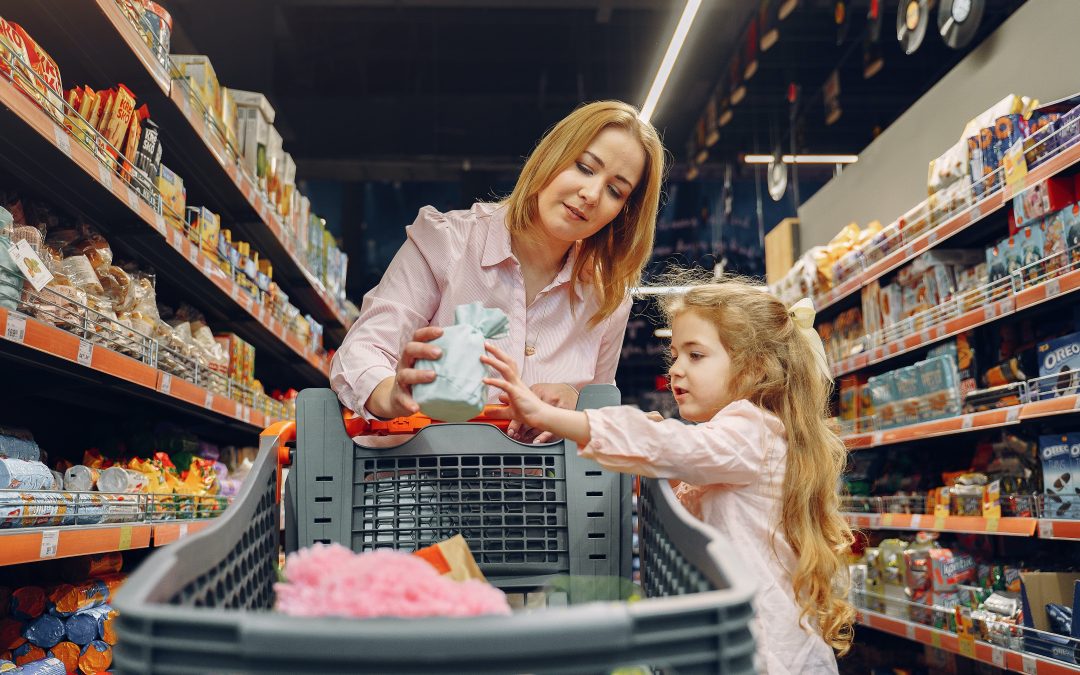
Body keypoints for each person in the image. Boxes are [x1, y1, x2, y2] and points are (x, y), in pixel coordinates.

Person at [480, 274, 855, 673]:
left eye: (696, 355)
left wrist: (550, 415)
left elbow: (664, 446)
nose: (676, 369)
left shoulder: (752, 429)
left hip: (767, 654)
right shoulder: (744, 435)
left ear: (754, 368)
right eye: (675, 354)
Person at [330, 100, 666, 441]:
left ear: (624, 212)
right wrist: (392, 393)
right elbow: (361, 352)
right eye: (584, 167)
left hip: (544, 491)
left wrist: (580, 407)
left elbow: (599, 409)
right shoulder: (447, 243)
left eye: (615, 190)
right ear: (552, 155)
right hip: (425, 482)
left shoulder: (607, 296)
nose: (591, 194)